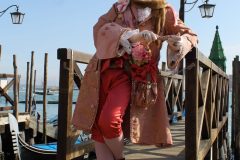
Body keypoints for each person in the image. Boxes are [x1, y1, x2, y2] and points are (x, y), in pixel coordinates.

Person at [72, 0, 198, 159]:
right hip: (101, 72)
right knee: (98, 130)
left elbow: (190, 35)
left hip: (134, 76)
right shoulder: (120, 6)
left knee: (109, 121)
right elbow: (99, 29)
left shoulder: (164, 10)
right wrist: (129, 36)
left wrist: (181, 43)